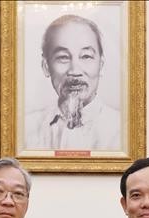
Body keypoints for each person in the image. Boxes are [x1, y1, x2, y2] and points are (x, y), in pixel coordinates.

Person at [25, 14, 121, 151]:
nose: (75, 71)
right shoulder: (27, 129)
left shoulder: (121, 129)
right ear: (46, 66)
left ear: (101, 65)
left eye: (86, 56)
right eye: (63, 57)